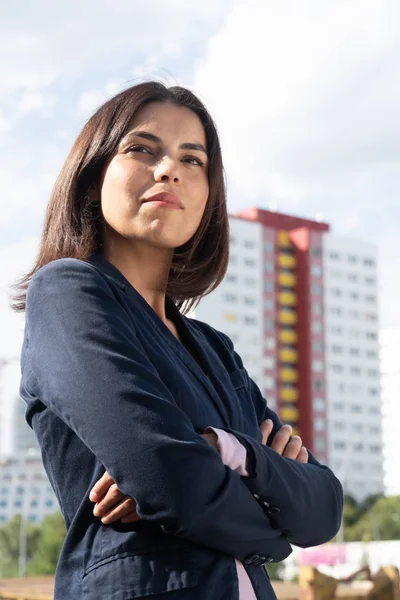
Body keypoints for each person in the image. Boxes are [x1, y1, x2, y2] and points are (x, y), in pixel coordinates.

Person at [12, 81, 343, 600]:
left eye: (193, 160)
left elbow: (324, 509)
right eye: (142, 149)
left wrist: (231, 452)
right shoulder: (68, 293)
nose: (169, 169)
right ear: (93, 174)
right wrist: (275, 534)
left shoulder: (215, 351)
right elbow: (171, 478)